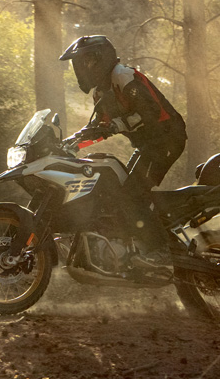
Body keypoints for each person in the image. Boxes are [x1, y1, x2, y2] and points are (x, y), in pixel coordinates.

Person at [58, 35, 187, 268]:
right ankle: (133, 247)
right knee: (118, 191)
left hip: (167, 138)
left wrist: (118, 125)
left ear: (100, 58)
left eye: (83, 62)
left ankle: (160, 250)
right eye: (77, 65)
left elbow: (151, 112)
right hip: (148, 145)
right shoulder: (101, 91)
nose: (80, 69)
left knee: (133, 196)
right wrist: (71, 142)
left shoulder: (122, 76)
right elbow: (101, 127)